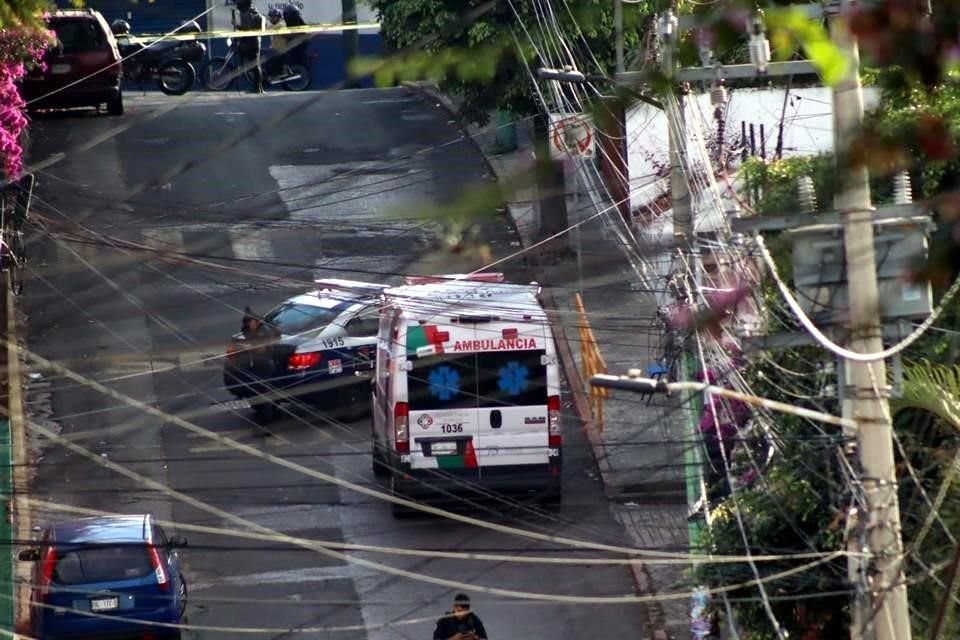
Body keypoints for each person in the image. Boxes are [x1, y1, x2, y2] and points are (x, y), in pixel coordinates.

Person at [234, 0, 265, 93]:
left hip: (250, 43)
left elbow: (247, 29)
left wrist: (236, 25)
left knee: (254, 67)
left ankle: (257, 88)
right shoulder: (255, 13)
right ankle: (259, 88)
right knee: (255, 66)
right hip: (253, 42)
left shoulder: (248, 14)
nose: (237, 5)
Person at [264, 7, 292, 78]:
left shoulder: (281, 25)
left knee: (264, 53)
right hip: (275, 48)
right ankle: (269, 74)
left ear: (278, 17)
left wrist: (263, 23)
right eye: (271, 16)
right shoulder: (276, 25)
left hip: (280, 49)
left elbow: (268, 29)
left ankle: (273, 74)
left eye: (273, 17)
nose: (271, 18)